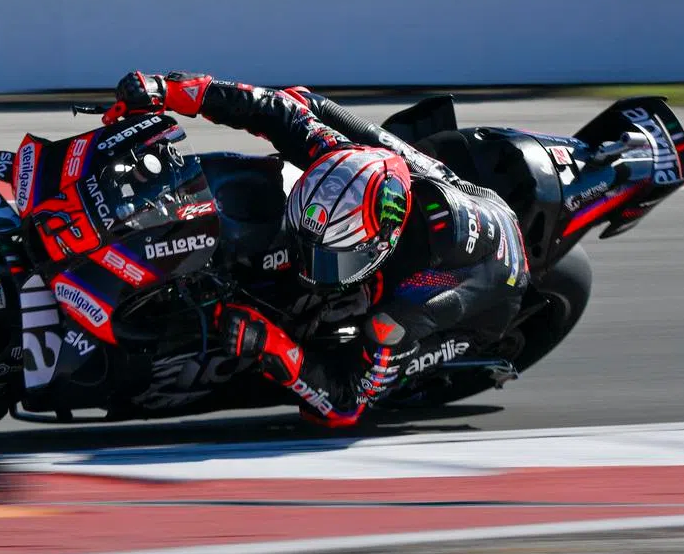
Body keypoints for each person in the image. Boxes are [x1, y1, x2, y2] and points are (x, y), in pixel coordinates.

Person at [110, 71, 531, 428]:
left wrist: (274, 345)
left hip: (486, 286)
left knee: (372, 337)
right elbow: (272, 107)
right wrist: (167, 90)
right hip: (441, 188)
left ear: (377, 247)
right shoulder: (338, 158)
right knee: (303, 101)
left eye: (332, 261)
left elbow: (346, 405)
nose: (310, 270)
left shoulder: (411, 298)